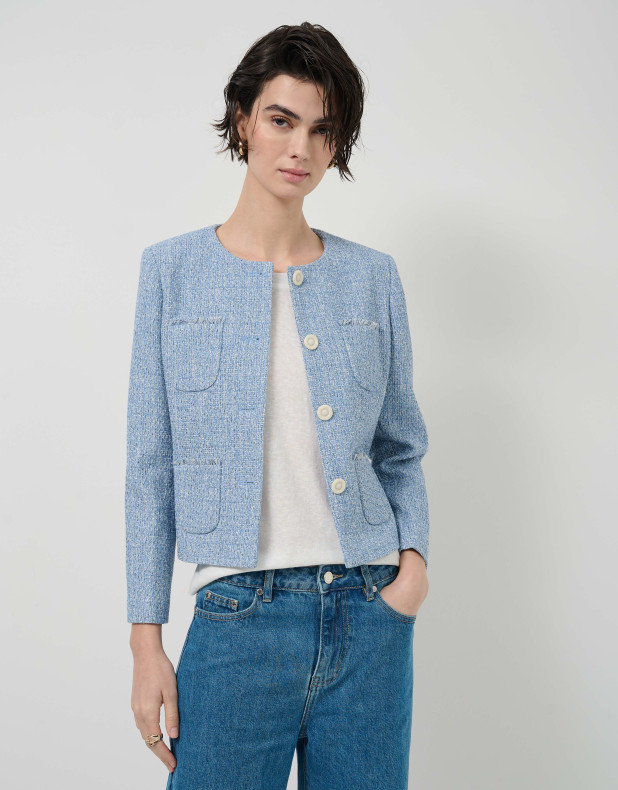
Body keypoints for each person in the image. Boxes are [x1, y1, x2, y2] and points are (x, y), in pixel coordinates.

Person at [126, 21, 430, 790]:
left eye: (323, 130)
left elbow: (400, 447)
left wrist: (412, 574)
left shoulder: (372, 278)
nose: (301, 149)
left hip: (370, 616)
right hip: (237, 621)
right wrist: (145, 642)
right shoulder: (172, 274)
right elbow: (150, 468)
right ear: (243, 120)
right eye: (282, 120)